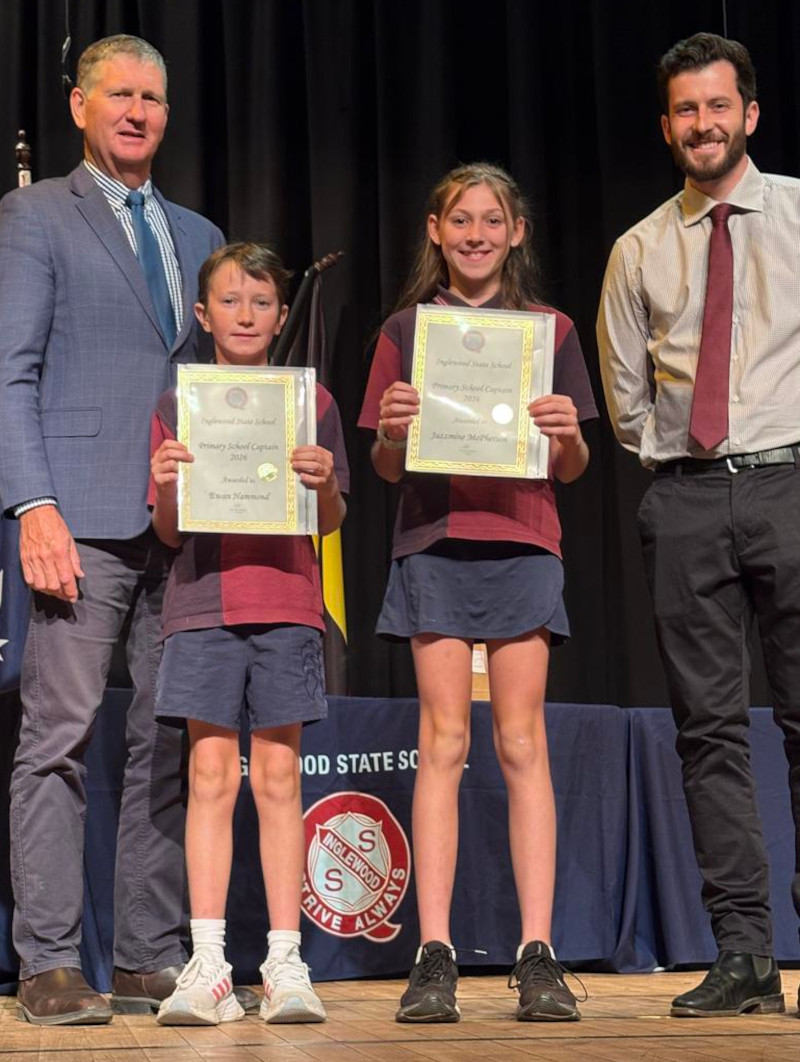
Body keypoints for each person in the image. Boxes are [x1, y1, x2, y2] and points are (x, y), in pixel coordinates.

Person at [0, 35, 224, 1025]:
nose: (137, 111)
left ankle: (143, 953)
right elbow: (8, 369)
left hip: (182, 524)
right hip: (78, 518)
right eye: (119, 95)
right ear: (81, 108)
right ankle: (49, 960)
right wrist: (31, 505)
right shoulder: (36, 212)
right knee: (59, 737)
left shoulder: (197, 229)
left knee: (164, 741)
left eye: (152, 98)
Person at [358, 162, 597, 1023]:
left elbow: (571, 465)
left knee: (523, 743)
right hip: (433, 544)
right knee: (445, 742)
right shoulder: (404, 331)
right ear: (434, 228)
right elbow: (386, 466)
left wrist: (568, 435)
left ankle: (537, 953)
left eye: (492, 220)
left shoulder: (550, 330)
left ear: (517, 231)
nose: (476, 235)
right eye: (461, 219)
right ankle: (436, 953)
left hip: (525, 544)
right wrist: (390, 430)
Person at [597, 32, 800, 1018]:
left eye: (716, 106)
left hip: (792, 485)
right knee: (707, 732)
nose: (701, 124)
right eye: (684, 110)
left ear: (747, 115)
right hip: (683, 497)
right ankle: (744, 954)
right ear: (666, 124)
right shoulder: (637, 248)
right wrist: (688, 465)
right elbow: (626, 399)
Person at [150, 242, 348, 1026]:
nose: (245, 315)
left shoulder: (313, 405)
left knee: (277, 783)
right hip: (202, 605)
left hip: (289, 604)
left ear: (280, 315)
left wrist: (327, 483)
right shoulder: (178, 403)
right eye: (229, 301)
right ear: (203, 315)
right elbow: (166, 532)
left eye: (261, 302)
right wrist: (167, 487)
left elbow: (331, 520)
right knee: (208, 779)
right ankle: (209, 967)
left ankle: (285, 961)